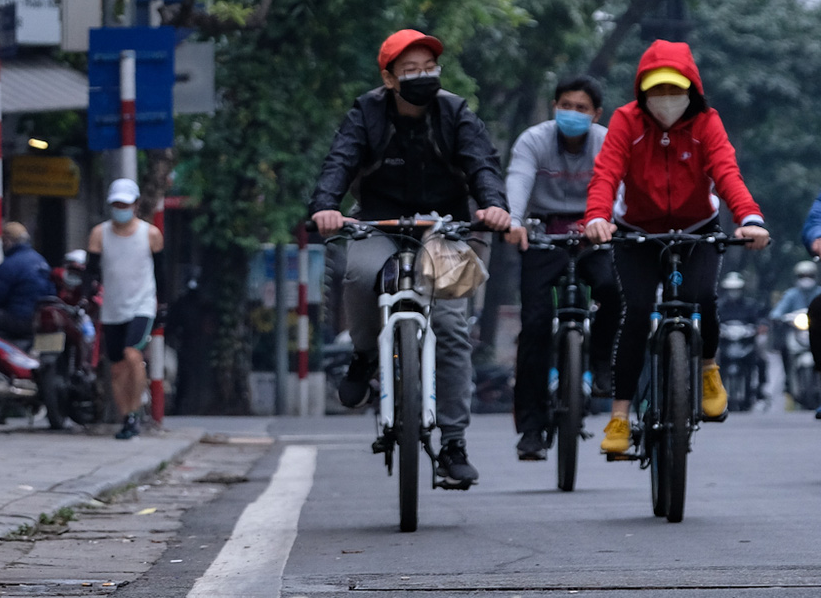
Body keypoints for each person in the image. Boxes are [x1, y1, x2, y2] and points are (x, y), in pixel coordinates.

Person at [310, 29, 511, 489]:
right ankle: (363, 357)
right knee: (360, 275)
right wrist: (325, 206)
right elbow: (339, 161)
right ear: (388, 77)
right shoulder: (367, 111)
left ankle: (455, 443)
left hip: (446, 228)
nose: (423, 77)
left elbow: (483, 163)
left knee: (451, 324)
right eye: (411, 70)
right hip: (379, 222)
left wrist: (493, 205)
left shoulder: (455, 111)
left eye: (429, 68)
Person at [584, 41, 770, 456]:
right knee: (634, 314)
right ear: (642, 93)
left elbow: (727, 173)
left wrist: (750, 219)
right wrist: (597, 217)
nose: (666, 100)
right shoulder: (625, 122)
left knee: (702, 297)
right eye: (656, 91)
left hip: (696, 229)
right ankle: (619, 416)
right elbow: (605, 174)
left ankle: (706, 369)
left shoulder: (707, 123)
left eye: (674, 90)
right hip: (636, 232)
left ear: (692, 91)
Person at [503, 76, 624, 461]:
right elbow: (519, 179)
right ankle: (532, 428)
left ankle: (603, 360)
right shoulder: (533, 140)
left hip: (597, 232)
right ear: (555, 106)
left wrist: (610, 221)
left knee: (613, 290)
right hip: (542, 234)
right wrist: (514, 220)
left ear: (596, 114)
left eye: (582, 108)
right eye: (566, 106)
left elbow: (621, 187)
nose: (573, 113)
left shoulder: (607, 141)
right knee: (535, 325)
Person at [87, 179, 163, 441]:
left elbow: (161, 273)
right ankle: (127, 417)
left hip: (142, 304)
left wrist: (162, 304)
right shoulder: (100, 234)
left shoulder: (150, 234)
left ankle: (138, 407)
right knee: (117, 367)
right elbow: (91, 271)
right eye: (116, 204)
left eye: (125, 204)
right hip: (113, 307)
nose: (121, 208)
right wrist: (88, 296)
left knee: (133, 353)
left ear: (135, 205)